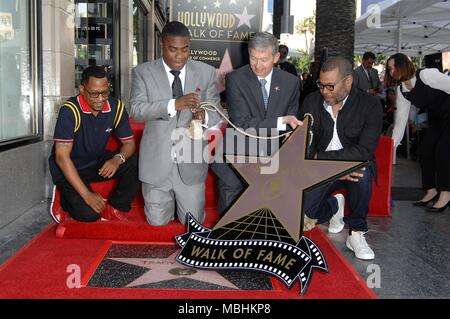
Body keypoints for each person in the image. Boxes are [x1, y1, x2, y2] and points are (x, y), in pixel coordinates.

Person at [130, 21, 222, 226]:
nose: (180, 56)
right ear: (162, 45)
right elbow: (136, 110)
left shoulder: (206, 73)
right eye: (173, 50)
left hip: (191, 162)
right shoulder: (142, 72)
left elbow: (216, 111)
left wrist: (203, 117)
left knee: (193, 225)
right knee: (157, 223)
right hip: (156, 165)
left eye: (185, 49)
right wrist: (174, 104)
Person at [300, 56, 383, 260]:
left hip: (354, 167)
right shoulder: (312, 101)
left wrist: (331, 163)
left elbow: (364, 151)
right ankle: (334, 206)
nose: (324, 91)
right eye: (321, 85)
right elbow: (301, 146)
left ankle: (356, 232)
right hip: (318, 169)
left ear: (348, 81)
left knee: (362, 173)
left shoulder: (369, 105)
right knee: (304, 216)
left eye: (330, 86)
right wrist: (328, 167)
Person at [211, 32, 302, 215]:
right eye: (253, 58)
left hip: (273, 162)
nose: (258, 65)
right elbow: (242, 123)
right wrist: (280, 121)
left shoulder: (291, 83)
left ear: (276, 57)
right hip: (236, 159)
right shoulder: (235, 79)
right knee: (230, 223)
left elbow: (289, 126)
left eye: (264, 59)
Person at [49, 66, 139, 223]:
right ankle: (65, 197)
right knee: (89, 215)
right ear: (82, 89)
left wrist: (117, 159)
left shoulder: (116, 107)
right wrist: (87, 195)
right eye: (94, 93)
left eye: (105, 92)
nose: (100, 99)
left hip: (95, 162)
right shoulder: (70, 111)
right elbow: (62, 158)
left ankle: (116, 207)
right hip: (69, 168)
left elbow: (129, 143)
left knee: (137, 162)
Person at [387, 53, 450, 212]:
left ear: (403, 65)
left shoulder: (426, 75)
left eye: (394, 66)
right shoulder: (402, 90)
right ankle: (431, 190)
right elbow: (400, 122)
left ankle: (446, 193)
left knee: (443, 151)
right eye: (389, 68)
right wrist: (391, 147)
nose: (391, 71)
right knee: (426, 150)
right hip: (436, 118)